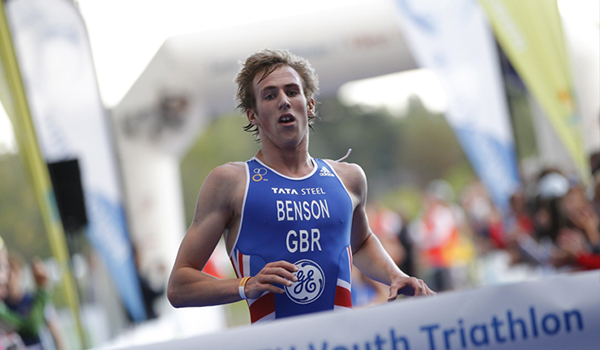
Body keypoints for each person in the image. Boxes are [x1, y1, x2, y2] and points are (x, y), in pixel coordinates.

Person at [167, 49, 435, 324]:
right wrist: (245, 285)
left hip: (342, 343)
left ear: (309, 105)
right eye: (270, 95)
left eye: (292, 92)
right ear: (253, 115)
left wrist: (395, 275)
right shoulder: (231, 182)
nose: (283, 101)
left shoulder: (348, 178)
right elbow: (179, 286)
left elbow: (362, 242)